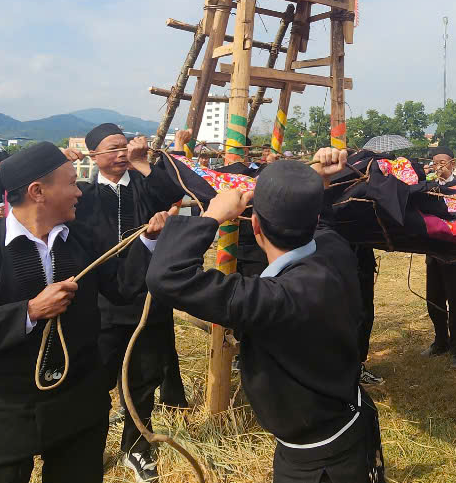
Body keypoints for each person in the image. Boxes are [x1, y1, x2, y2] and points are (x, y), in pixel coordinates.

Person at [0, 142, 161, 483]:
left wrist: (148, 242)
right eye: (70, 183)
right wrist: (30, 312)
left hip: (80, 402)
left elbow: (123, 288)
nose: (79, 191)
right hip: (7, 406)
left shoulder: (82, 238)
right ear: (38, 192)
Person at [147, 150, 385, 482]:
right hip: (348, 428)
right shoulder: (334, 251)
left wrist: (212, 216)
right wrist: (319, 179)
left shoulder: (275, 299)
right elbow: (324, 222)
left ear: (254, 224)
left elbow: (167, 277)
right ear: (313, 219)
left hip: (318, 463)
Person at [73, 123, 184, 481]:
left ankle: (136, 447)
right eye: (113, 148)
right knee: (96, 378)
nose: (121, 153)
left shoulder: (145, 186)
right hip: (102, 304)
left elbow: (176, 191)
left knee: (143, 377)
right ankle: (88, 445)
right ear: (95, 155)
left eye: (125, 146)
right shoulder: (83, 197)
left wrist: (144, 163)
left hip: (147, 299)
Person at [423, 146, 456, 368]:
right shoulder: (428, 186)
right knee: (434, 300)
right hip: (434, 252)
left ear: (451, 163)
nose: (438, 165)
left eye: (442, 162)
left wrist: (448, 183)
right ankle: (441, 341)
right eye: (435, 162)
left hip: (455, 253)